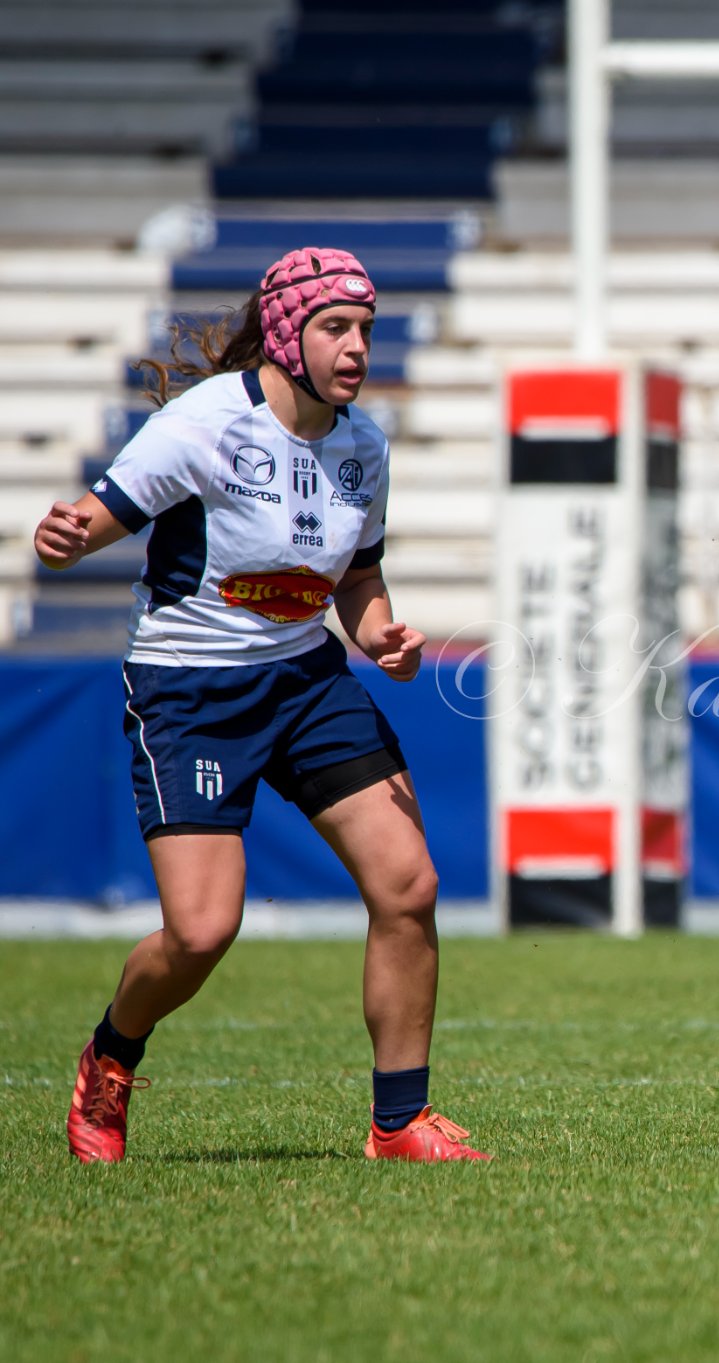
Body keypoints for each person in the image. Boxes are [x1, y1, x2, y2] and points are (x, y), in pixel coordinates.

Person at [34, 248, 486, 1164]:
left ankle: (398, 1122)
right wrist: (66, 534)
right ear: (286, 334)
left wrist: (382, 637)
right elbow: (97, 519)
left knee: (410, 886)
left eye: (364, 328)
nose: (356, 346)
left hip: (307, 679)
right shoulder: (201, 424)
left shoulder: (364, 445)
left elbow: (359, 581)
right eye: (335, 328)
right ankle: (109, 1057)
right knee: (202, 930)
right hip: (188, 693)